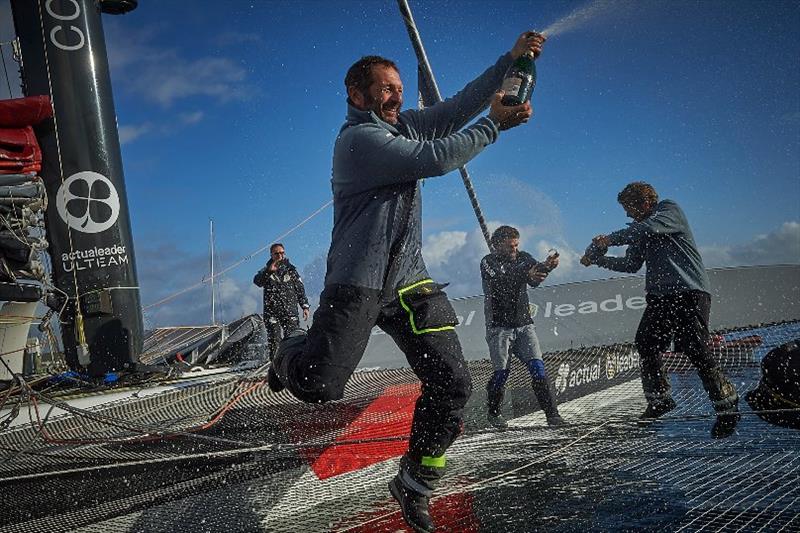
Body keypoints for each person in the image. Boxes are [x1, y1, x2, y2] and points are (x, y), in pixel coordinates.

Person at [268, 32, 546, 533]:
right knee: (319, 387)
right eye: (386, 89)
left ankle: (415, 480)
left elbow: (459, 105)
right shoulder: (359, 141)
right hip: (357, 284)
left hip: (410, 284)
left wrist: (511, 61)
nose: (396, 96)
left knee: (454, 382)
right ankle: (288, 350)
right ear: (357, 95)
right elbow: (436, 160)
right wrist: (495, 127)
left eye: (398, 87)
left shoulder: (402, 125)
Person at [580, 181, 740, 439]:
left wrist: (609, 239)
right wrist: (598, 259)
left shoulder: (668, 210)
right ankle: (660, 399)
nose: (627, 215)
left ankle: (726, 404)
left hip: (689, 291)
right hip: (660, 296)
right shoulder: (639, 230)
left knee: (694, 347)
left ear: (645, 203)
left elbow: (648, 228)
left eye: (629, 208)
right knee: (646, 342)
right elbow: (631, 264)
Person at [481, 225, 564, 429]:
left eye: (516, 246)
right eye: (510, 247)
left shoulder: (524, 257)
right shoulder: (487, 262)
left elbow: (534, 278)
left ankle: (553, 416)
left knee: (538, 368)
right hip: (499, 327)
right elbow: (503, 280)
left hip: (525, 325)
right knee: (502, 373)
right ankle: (494, 412)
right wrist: (528, 273)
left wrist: (547, 266)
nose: (514, 250)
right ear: (496, 245)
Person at [253, 243, 310, 358]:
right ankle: (275, 365)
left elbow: (300, 289)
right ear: (271, 255)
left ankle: (291, 363)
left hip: (290, 311)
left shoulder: (292, 270)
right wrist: (269, 271)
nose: (280, 256)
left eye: (282, 253)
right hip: (272, 312)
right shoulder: (265, 270)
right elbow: (258, 282)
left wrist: (305, 306)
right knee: (275, 340)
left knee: (293, 339)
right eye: (277, 253)